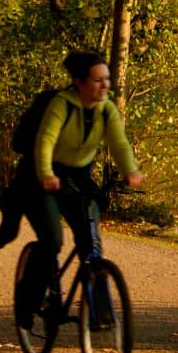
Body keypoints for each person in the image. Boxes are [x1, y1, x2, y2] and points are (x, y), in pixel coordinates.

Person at [13, 51, 144, 332]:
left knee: (91, 244)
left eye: (107, 79)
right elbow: (45, 142)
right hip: (41, 178)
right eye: (97, 80)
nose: (105, 85)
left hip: (77, 179)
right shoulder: (61, 104)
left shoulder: (106, 109)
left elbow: (119, 143)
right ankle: (27, 303)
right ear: (79, 82)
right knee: (52, 241)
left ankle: (101, 315)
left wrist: (130, 170)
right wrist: (46, 174)